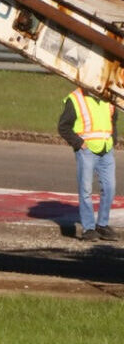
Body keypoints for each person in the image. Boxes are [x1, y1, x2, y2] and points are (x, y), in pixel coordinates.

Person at [58, 87, 120, 240]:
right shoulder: (75, 98)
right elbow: (63, 126)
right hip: (87, 151)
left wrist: (113, 139)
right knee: (86, 189)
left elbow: (113, 118)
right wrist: (79, 143)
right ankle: (88, 228)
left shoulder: (109, 96)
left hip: (106, 149)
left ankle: (102, 225)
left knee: (110, 188)